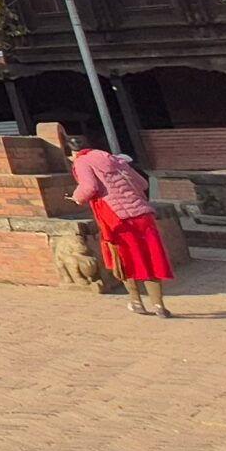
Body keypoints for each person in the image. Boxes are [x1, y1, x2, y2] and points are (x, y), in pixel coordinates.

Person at [69, 134, 174, 316]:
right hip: (142, 213)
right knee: (150, 257)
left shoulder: (82, 161)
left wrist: (76, 198)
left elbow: (89, 187)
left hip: (115, 217)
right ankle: (159, 306)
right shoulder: (115, 159)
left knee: (124, 259)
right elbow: (141, 183)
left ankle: (136, 302)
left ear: (73, 151)